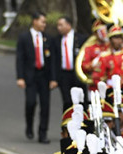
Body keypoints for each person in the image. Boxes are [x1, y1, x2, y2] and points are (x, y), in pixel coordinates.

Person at [16, 12, 54, 143]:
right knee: (31, 102)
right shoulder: (24, 37)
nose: (44, 24)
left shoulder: (47, 38)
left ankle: (43, 133)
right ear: (35, 21)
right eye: (42, 21)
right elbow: (20, 58)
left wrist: (53, 79)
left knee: (45, 105)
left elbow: (52, 60)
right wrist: (20, 77)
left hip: (44, 76)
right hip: (30, 76)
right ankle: (29, 125)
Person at [51, 16, 82, 112]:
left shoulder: (80, 38)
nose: (58, 28)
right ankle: (68, 119)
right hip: (64, 75)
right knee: (67, 101)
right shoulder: (56, 40)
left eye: (61, 25)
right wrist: (54, 78)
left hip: (76, 74)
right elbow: (54, 60)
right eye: (58, 25)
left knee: (79, 100)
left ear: (68, 25)